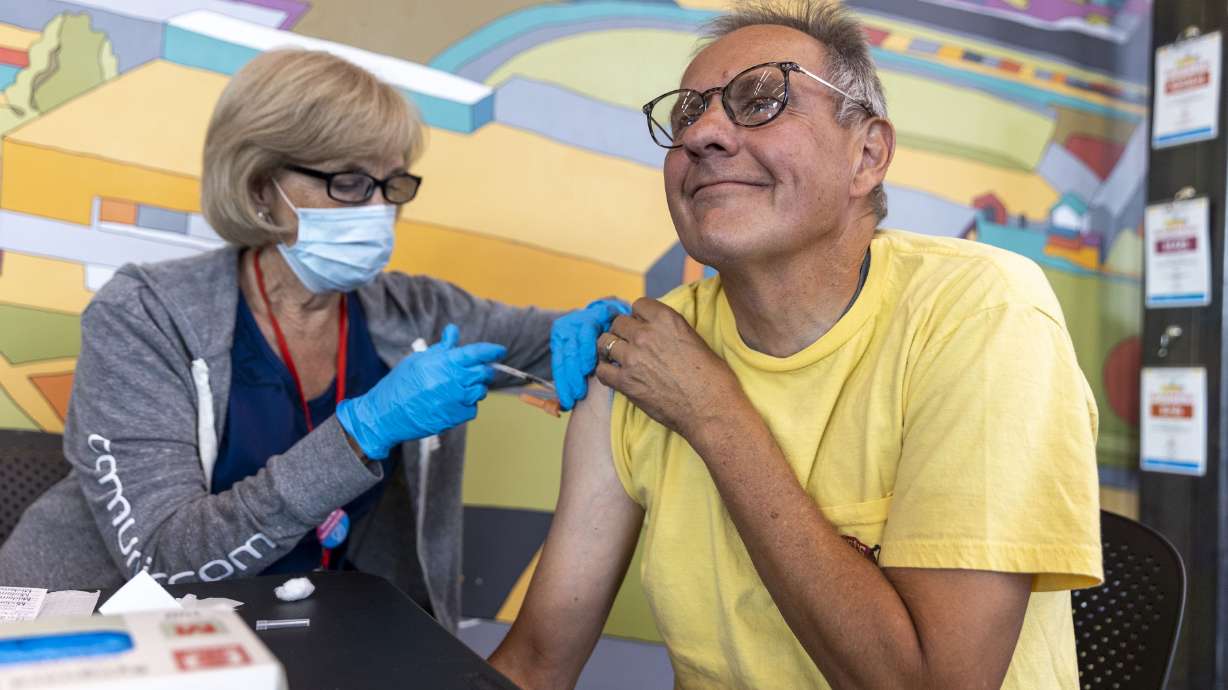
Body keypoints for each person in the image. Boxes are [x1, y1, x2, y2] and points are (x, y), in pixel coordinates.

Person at [489, 2, 1102, 687]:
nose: (704, 135)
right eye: (687, 113)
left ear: (867, 154)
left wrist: (715, 413)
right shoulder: (649, 349)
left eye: (761, 100)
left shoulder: (978, 311)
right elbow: (538, 662)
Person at [0, 49, 623, 633]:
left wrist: (600, 328)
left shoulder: (416, 311)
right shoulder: (145, 315)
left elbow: (556, 345)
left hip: (319, 626)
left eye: (392, 184)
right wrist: (361, 432)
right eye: (349, 183)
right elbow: (168, 564)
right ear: (258, 187)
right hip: (108, 637)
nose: (378, 209)